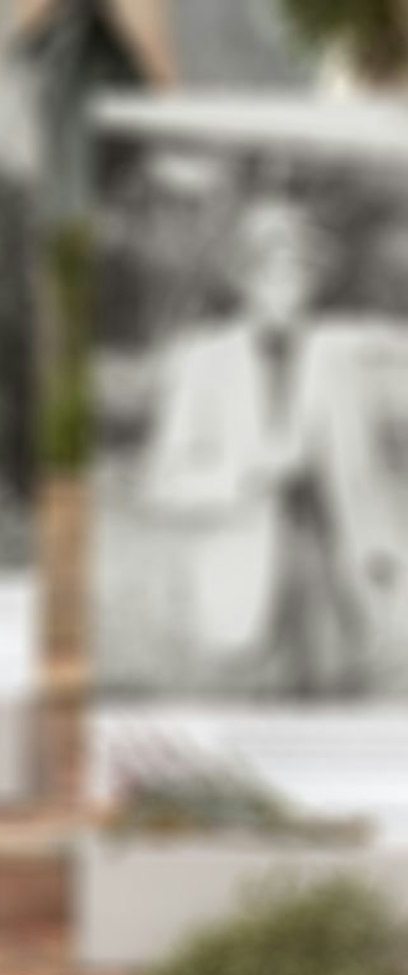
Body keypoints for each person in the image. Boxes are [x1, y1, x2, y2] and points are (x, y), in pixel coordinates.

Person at [134, 185, 369, 698]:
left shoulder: (333, 359)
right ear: (244, 279)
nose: (288, 285)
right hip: (242, 583)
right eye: (273, 271)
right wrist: (248, 474)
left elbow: (356, 472)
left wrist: (373, 555)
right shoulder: (203, 361)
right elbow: (161, 484)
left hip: (329, 593)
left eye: (301, 272)